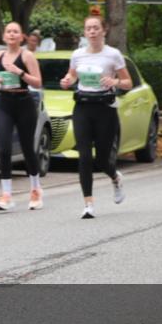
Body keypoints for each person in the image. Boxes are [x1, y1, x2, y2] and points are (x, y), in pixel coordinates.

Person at [59, 15, 131, 219]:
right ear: (85, 32)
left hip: (105, 108)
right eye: (88, 28)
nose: (92, 31)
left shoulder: (113, 55)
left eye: (95, 28)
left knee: (102, 158)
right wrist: (67, 80)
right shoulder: (78, 55)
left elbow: (127, 82)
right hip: (82, 106)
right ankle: (88, 204)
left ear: (103, 31)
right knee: (84, 156)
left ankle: (115, 177)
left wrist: (114, 81)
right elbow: (72, 75)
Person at [0, 22, 44, 211]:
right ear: (4, 36)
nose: (12, 34)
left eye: (15, 32)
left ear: (22, 37)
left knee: (27, 147)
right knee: (3, 148)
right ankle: (6, 194)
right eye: (9, 31)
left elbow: (37, 82)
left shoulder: (27, 56)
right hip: (5, 102)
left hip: (24, 103)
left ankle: (36, 189)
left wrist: (19, 72)